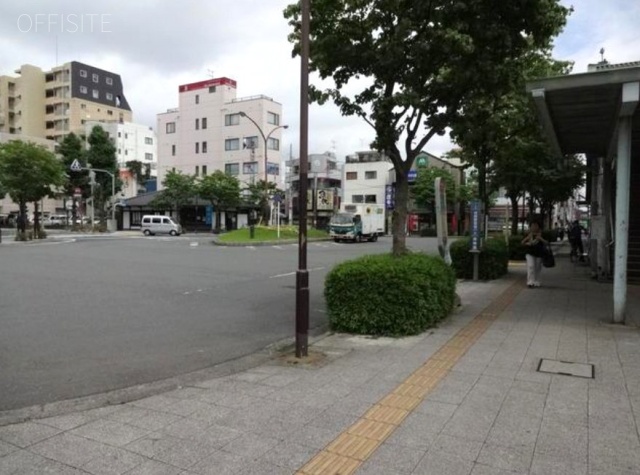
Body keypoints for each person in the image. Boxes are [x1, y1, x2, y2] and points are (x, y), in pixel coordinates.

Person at [521, 221, 548, 288]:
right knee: (531, 266)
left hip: (539, 253)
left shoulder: (542, 234)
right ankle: (530, 281)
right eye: (532, 226)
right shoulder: (528, 234)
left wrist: (541, 239)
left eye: (536, 226)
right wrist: (527, 240)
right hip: (529, 252)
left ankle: (536, 281)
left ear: (539, 227)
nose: (534, 227)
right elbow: (522, 242)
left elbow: (547, 243)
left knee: (537, 267)